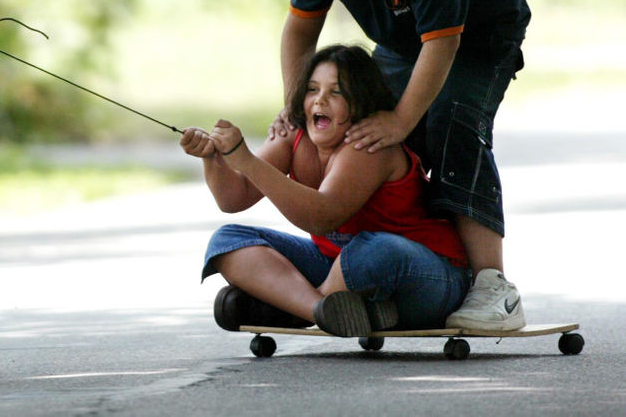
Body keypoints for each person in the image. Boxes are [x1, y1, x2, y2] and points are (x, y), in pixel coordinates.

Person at [273, 0, 531, 331]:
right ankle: (399, 263)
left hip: (479, 37)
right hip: (403, 41)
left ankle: (493, 287)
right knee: (369, 125)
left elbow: (444, 43)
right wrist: (295, 105)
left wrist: (402, 117)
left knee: (451, 124)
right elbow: (299, 31)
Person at [181, 45, 471, 336]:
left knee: (375, 248)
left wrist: (246, 161)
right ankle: (322, 310)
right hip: (340, 267)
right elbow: (234, 198)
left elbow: (321, 217)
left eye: (337, 92)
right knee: (228, 239)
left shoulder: (369, 143)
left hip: (427, 276)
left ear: (360, 102)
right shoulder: (294, 134)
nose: (320, 100)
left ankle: (292, 307)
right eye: (312, 89)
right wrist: (213, 158)